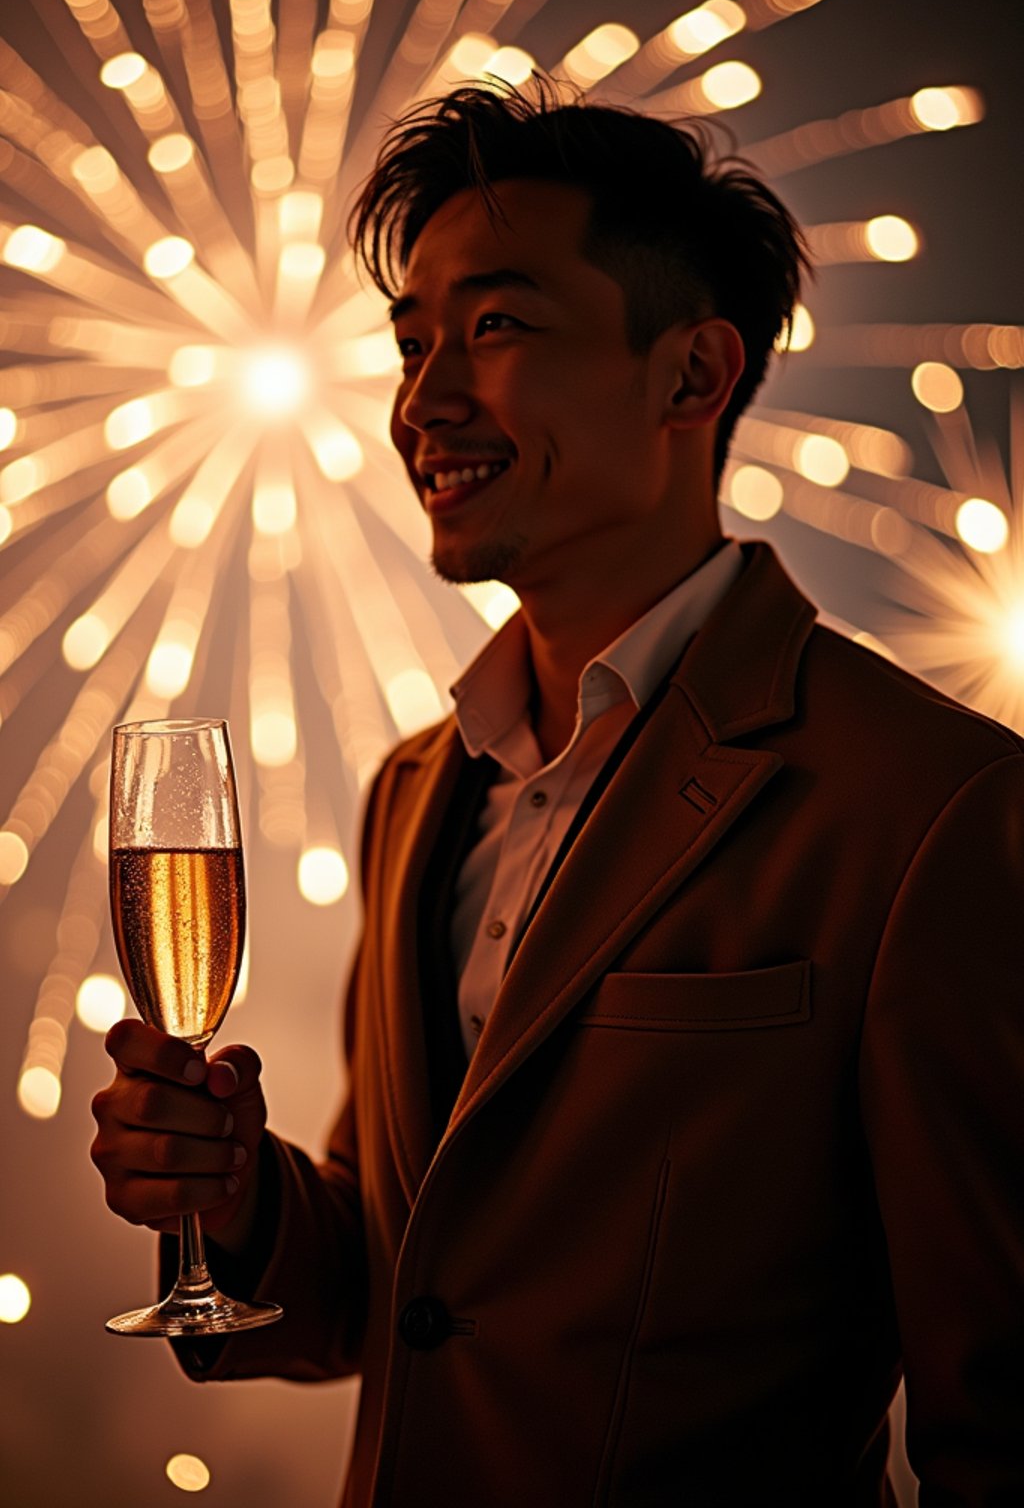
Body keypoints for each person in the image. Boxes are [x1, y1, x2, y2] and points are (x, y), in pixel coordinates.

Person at [91, 82, 1024, 1506]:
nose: (425, 400)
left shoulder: (931, 809)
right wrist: (242, 1199)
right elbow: (400, 1287)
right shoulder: (419, 788)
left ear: (693, 379)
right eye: (412, 343)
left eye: (498, 327)